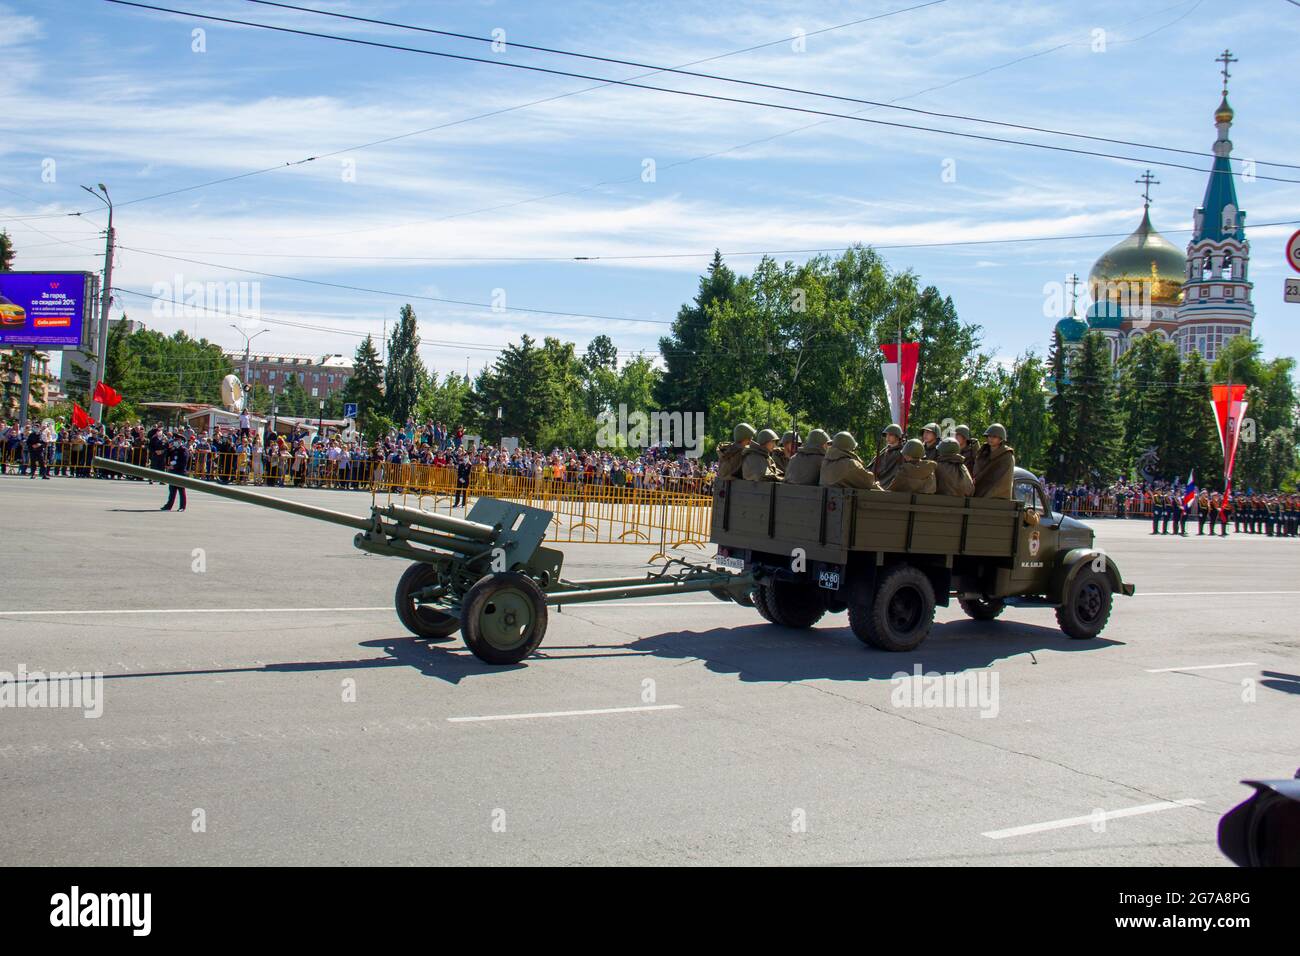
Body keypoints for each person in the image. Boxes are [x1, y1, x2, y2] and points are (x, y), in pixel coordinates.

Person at [971, 424, 1014, 498]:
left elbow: (1002, 479)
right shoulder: (983, 452)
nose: (991, 439)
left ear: (1001, 439)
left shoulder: (1006, 456)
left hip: (995, 498)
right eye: (989, 436)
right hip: (977, 493)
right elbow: (978, 470)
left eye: (994, 437)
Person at [159, 438, 190, 511]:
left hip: (180, 472)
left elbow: (183, 463)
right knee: (172, 491)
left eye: (176, 441)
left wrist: (174, 466)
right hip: (173, 472)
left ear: (180, 441)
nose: (175, 442)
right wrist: (168, 448)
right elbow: (166, 455)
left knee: (181, 491)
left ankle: (182, 507)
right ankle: (168, 506)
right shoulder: (174, 449)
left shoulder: (184, 450)